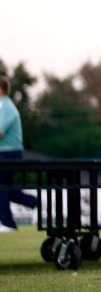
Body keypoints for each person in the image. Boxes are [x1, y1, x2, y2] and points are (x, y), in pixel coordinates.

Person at [0, 76, 37, 231]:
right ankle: (38, 204)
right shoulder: (3, 106)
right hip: (6, 153)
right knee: (6, 190)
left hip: (8, 154)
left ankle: (8, 224)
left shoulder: (6, 107)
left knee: (1, 188)